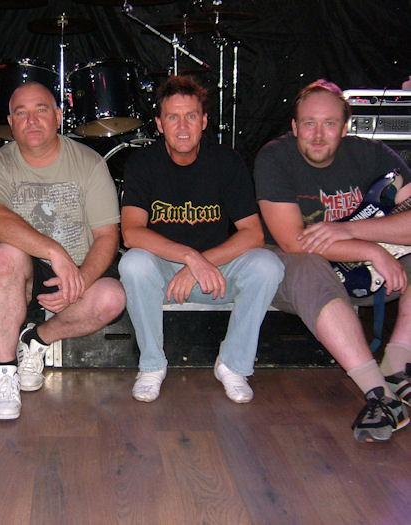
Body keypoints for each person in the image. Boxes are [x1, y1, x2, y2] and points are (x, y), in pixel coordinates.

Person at [254, 79, 411, 442]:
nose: (318, 134)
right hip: (299, 271)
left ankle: (398, 364)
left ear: (344, 127)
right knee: (307, 265)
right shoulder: (275, 158)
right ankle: (379, 394)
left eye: (329, 124)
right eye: (309, 123)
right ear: (294, 127)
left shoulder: (373, 155)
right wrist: (371, 250)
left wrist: (351, 232)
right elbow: (293, 241)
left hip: (366, 268)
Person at [119, 75, 283, 404]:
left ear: (204, 121)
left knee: (268, 265)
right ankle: (152, 364)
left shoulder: (227, 161)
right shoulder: (143, 163)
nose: (182, 126)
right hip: (166, 272)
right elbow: (131, 232)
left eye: (191, 116)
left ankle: (233, 365)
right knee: (133, 263)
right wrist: (190, 258)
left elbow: (253, 232)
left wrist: (201, 263)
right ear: (159, 124)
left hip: (215, 272)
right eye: (172, 117)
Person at [0, 82, 126, 420]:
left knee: (112, 298)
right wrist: (54, 251)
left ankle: (37, 341)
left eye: (41, 110)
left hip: (79, 266)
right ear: (10, 123)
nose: (31, 120)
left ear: (58, 116)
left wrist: (81, 280)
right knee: (4, 254)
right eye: (21, 113)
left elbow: (107, 236)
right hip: (26, 273)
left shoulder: (89, 163)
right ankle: (5, 373)